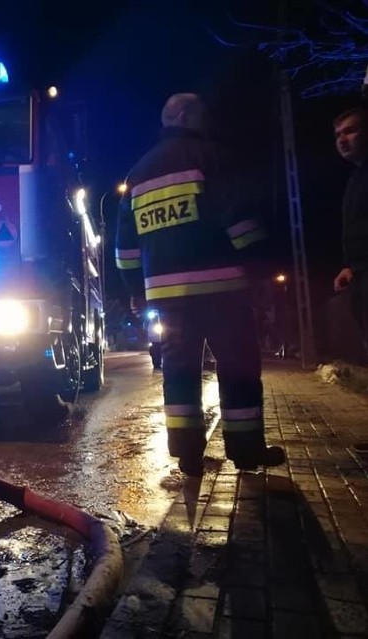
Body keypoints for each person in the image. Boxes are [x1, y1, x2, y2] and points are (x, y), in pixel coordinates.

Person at [115, 93, 285, 477]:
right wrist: (259, 270)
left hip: (166, 297)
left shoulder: (138, 175)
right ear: (188, 116)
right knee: (238, 367)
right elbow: (240, 221)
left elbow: (125, 250)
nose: (209, 120)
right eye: (204, 113)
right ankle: (245, 450)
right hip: (221, 289)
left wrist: (137, 293)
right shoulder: (211, 156)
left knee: (179, 372)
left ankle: (188, 456)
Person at [331, 107, 368, 455]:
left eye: (351, 131)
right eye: (339, 134)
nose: (343, 139)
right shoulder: (357, 177)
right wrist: (350, 266)